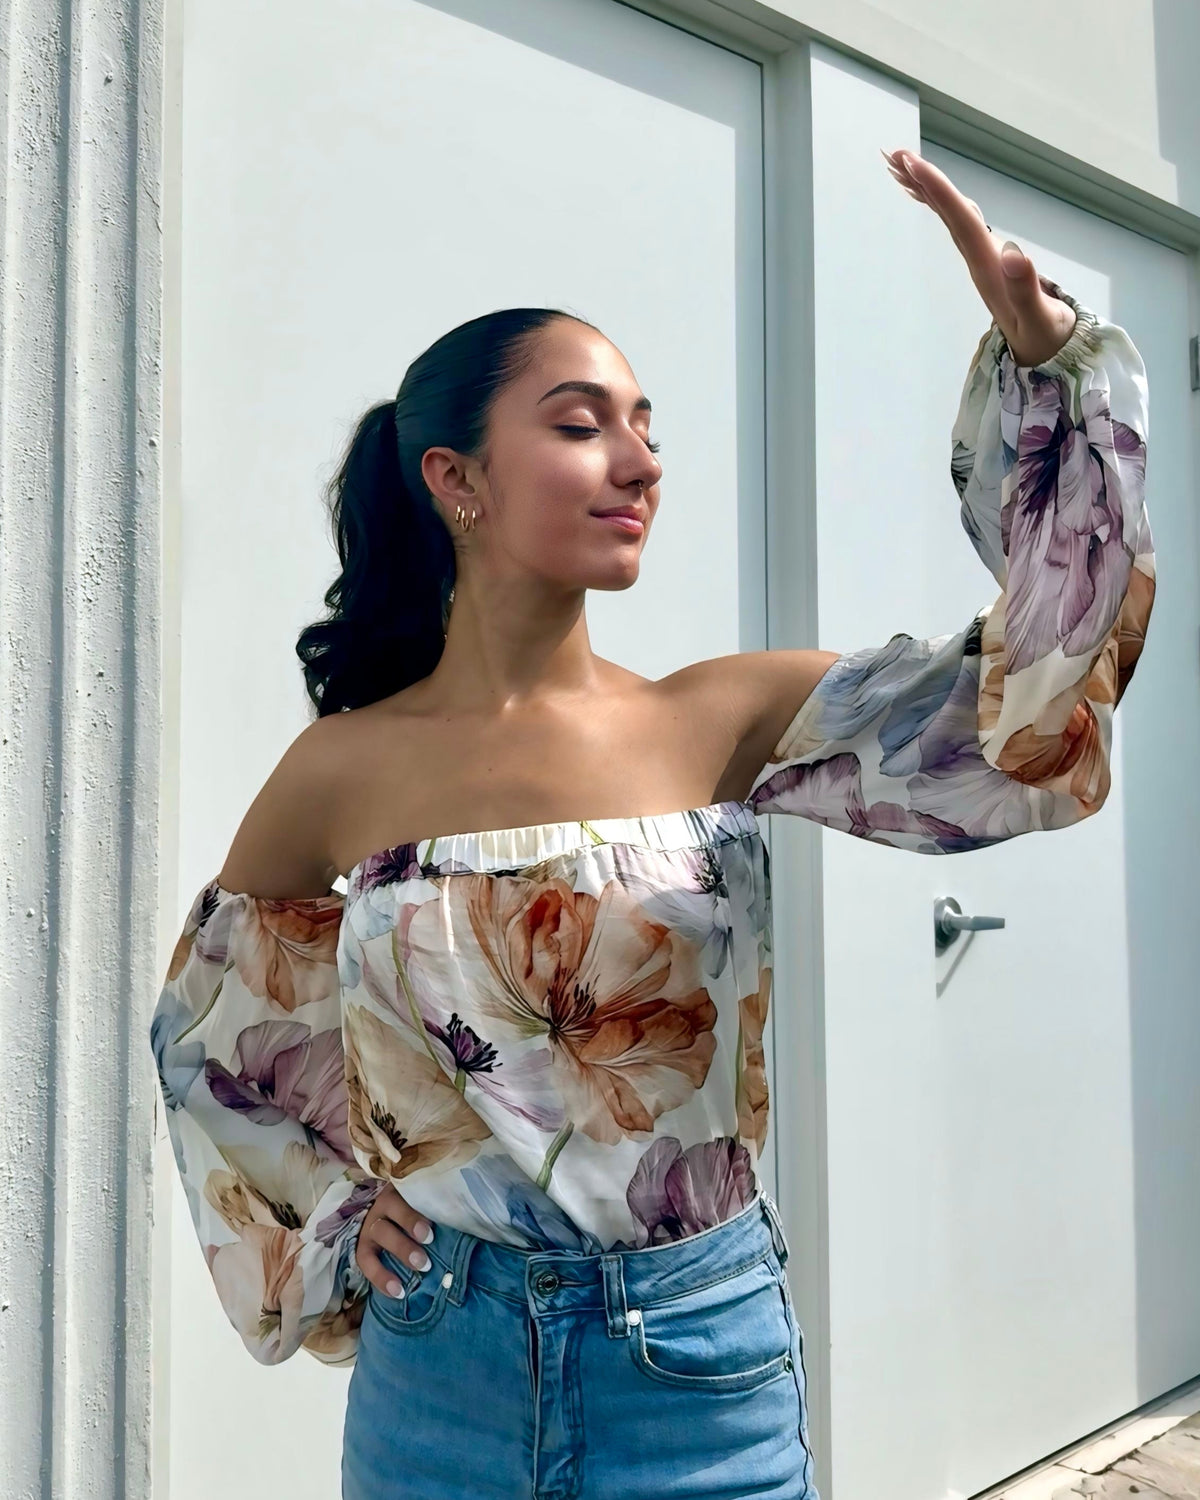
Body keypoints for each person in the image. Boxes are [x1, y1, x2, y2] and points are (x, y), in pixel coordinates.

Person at [149, 148, 1155, 1500]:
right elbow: (214, 1033)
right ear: (455, 478)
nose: (640, 462)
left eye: (646, 428)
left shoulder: (722, 718)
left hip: (696, 1369)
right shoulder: (344, 770)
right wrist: (334, 1218)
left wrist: (1052, 375)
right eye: (582, 426)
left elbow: (1034, 721)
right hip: (438, 1374)